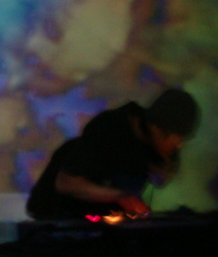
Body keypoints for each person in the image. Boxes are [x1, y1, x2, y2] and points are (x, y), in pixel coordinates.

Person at [26, 88, 200, 221]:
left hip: (105, 223)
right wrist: (121, 197)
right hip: (62, 219)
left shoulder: (153, 143)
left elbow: (160, 179)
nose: (180, 146)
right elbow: (66, 183)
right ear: (158, 129)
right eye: (178, 139)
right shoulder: (109, 129)